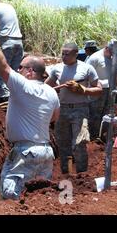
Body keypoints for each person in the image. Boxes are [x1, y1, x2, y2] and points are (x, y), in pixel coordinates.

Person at [0, 23, 60, 199]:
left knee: (10, 196)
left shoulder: (23, 86)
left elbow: (2, 66)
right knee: (38, 197)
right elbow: (54, 118)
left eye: (20, 67)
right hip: (45, 152)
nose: (17, 70)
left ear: (29, 71)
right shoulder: (52, 92)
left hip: (26, 151)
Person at [46, 43, 102, 174]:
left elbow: (99, 90)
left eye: (67, 54)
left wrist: (83, 90)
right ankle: (66, 174)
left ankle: (82, 175)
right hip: (62, 109)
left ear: (76, 54)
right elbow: (46, 86)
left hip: (80, 109)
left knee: (79, 144)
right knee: (63, 144)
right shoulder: (57, 69)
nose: (64, 57)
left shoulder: (87, 68)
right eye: (62, 54)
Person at [86, 40, 117, 139]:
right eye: (111, 52)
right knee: (94, 113)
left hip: (110, 91)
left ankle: (103, 135)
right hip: (97, 90)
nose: (112, 55)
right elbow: (86, 74)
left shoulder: (113, 58)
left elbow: (116, 73)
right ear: (106, 48)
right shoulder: (95, 58)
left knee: (107, 113)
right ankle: (92, 136)